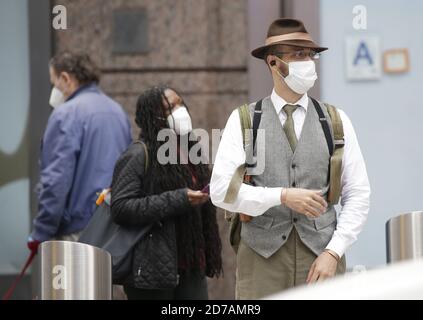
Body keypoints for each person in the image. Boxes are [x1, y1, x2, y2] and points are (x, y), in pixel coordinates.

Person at [210, 18, 371, 299]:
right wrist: (281, 196)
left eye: (311, 55)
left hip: (322, 260)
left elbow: (358, 194)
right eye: (298, 55)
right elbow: (222, 191)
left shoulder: (336, 121)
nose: (308, 62)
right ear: (273, 63)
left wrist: (334, 251)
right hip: (262, 263)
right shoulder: (245, 120)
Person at [110, 85, 222, 300]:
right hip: (154, 267)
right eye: (169, 108)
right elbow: (121, 207)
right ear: (154, 117)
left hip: (191, 263)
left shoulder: (191, 149)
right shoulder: (138, 154)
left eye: (180, 103)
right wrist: (180, 198)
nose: (180, 111)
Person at [27, 52, 132, 253]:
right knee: (103, 284)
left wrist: (40, 233)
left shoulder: (65, 114)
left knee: (71, 285)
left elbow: (56, 180)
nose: (54, 90)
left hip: (76, 231)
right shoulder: (117, 111)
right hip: (113, 226)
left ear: (65, 78)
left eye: (53, 83)